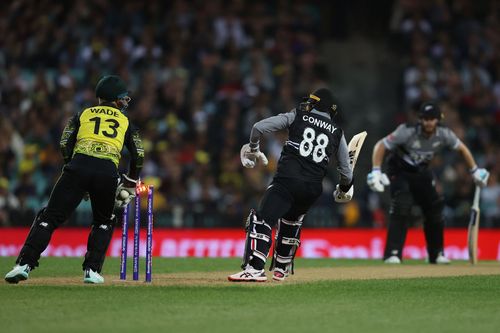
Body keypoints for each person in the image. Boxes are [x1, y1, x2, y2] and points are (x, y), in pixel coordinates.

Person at [4, 75, 144, 284]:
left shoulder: (83, 114)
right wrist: (132, 182)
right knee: (104, 221)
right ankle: (92, 271)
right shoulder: (125, 121)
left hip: (77, 167)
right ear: (114, 99)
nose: (125, 102)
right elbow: (138, 154)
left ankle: (23, 264)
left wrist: (73, 166)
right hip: (107, 171)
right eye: (122, 98)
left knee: (48, 217)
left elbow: (63, 142)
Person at [228, 88, 354, 282]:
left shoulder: (298, 116)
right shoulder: (338, 132)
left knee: (262, 219)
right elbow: (346, 171)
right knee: (291, 221)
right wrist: (344, 189)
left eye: (312, 102)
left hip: (288, 179)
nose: (308, 105)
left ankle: (255, 269)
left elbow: (258, 127)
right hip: (312, 189)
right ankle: (281, 268)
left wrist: (253, 147)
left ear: (317, 104)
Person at [367, 102, 489, 264]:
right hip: (399, 171)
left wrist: (474, 170)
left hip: (421, 172)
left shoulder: (444, 134)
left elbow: (462, 149)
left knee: (435, 207)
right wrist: (376, 170)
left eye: (432, 119)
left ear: (438, 120)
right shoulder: (407, 131)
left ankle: (436, 254)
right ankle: (393, 254)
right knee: (402, 204)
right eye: (425, 119)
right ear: (420, 119)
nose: (428, 123)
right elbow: (381, 145)